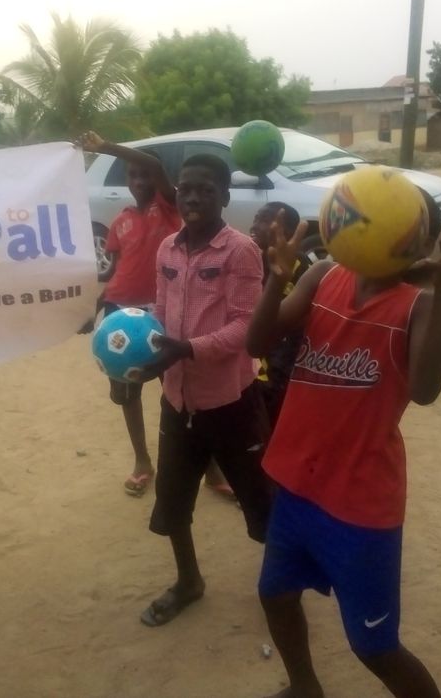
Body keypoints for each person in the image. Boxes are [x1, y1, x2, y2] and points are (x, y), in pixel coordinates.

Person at [246, 200, 441, 698]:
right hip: (297, 483)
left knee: (375, 647)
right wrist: (275, 279)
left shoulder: (417, 305)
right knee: (276, 596)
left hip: (360, 503)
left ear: (419, 246)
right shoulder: (323, 275)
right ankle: (305, 686)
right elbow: (256, 344)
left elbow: (426, 390)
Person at [135, 153, 271, 627]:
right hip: (178, 402)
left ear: (225, 197)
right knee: (173, 501)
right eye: (185, 188)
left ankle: (281, 586)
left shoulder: (241, 251)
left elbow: (246, 327)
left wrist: (187, 349)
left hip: (232, 404)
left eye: (205, 190)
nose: (192, 197)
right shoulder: (167, 249)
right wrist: (141, 353)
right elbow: (159, 311)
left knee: (262, 503)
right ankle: (189, 581)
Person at [77, 132, 181, 497]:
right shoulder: (121, 220)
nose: (139, 180)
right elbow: (117, 272)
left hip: (160, 312)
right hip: (120, 312)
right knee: (127, 392)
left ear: (158, 176)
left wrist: (105, 146)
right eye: (132, 175)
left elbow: (152, 164)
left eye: (145, 174)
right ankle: (142, 461)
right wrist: (92, 308)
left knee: (180, 388)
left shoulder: (169, 206)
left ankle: (209, 464)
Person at [249, 203, 311, 428]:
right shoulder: (252, 261)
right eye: (256, 218)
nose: (255, 226)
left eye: (265, 220)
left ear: (288, 232)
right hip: (256, 354)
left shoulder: (301, 265)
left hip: (285, 361)